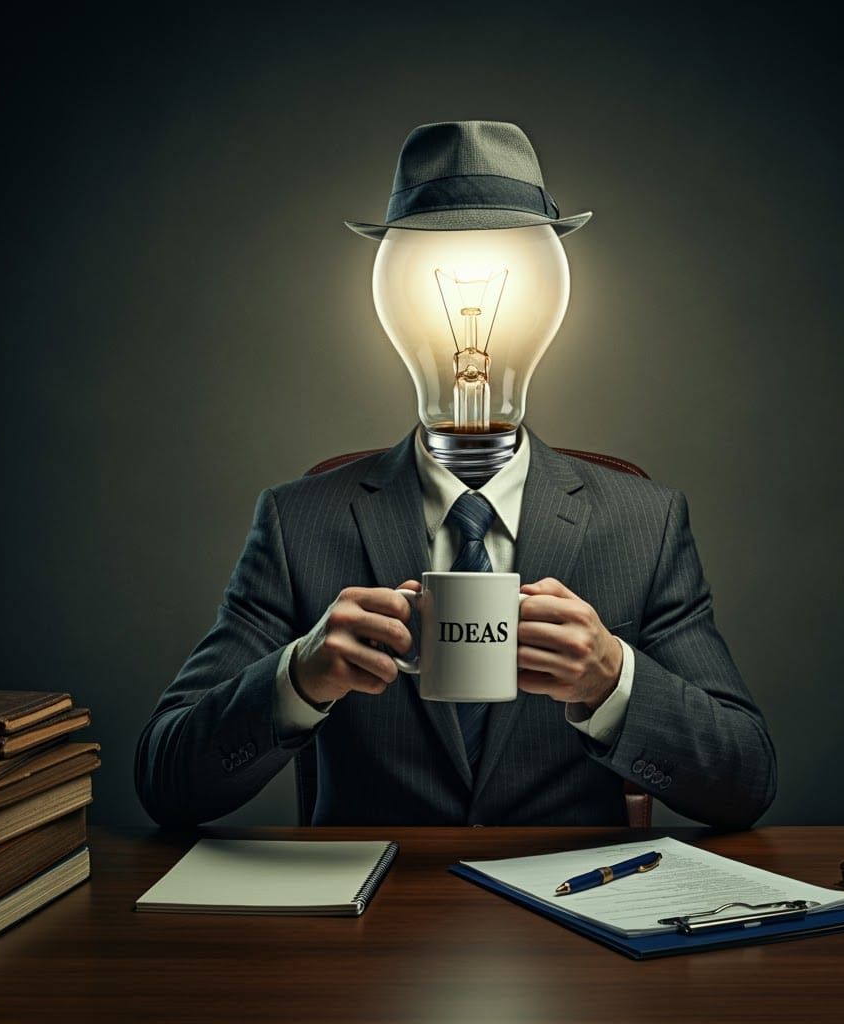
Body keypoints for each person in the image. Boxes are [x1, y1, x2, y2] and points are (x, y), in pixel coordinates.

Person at [134, 122, 777, 830]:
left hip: (567, 918)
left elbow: (745, 783)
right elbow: (167, 781)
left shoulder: (641, 525)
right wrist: (299, 676)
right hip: (371, 925)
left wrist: (613, 679)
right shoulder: (302, 524)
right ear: (400, 296)